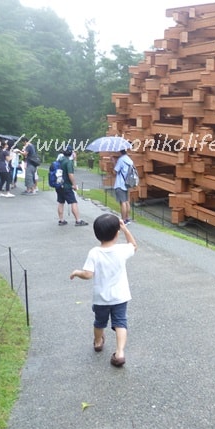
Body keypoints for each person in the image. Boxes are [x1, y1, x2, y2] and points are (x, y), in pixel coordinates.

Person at [70, 213, 137, 367]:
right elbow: (134, 246)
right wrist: (126, 230)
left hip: (101, 298)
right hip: (120, 296)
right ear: (116, 233)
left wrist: (77, 272)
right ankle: (120, 352)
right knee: (120, 322)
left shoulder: (94, 252)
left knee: (99, 322)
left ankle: (98, 342)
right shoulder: (122, 249)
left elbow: (87, 274)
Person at [56, 146, 88, 226]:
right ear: (71, 152)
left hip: (59, 185)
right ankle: (78, 220)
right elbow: (70, 174)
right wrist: (74, 185)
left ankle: (61, 220)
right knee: (73, 202)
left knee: (61, 202)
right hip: (67, 186)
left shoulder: (60, 160)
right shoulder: (68, 162)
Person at [113, 149, 134, 224]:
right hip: (127, 183)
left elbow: (115, 171)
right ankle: (127, 218)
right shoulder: (129, 160)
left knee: (122, 203)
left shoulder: (121, 160)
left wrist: (114, 162)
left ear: (119, 152)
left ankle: (123, 220)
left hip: (120, 184)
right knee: (127, 201)